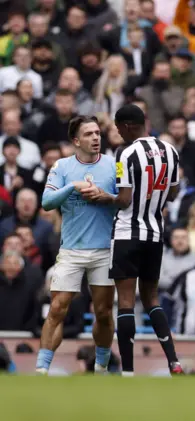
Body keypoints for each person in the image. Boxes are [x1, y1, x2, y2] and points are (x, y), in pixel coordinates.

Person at [81, 104, 183, 376]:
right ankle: (174, 361)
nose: (116, 133)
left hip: (127, 232)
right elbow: (173, 193)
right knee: (152, 298)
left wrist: (105, 198)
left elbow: (124, 200)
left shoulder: (125, 153)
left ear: (126, 126)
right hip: (155, 233)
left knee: (125, 300)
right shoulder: (170, 151)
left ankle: (127, 371)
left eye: (117, 128)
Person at [35, 116, 117, 375]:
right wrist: (73, 186)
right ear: (76, 140)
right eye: (89, 134)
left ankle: (101, 366)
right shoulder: (61, 166)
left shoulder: (116, 165)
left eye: (97, 133)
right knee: (57, 308)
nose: (96, 138)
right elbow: (47, 202)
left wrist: (105, 196)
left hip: (104, 249)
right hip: (71, 250)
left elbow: (126, 200)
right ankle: (41, 370)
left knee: (103, 312)